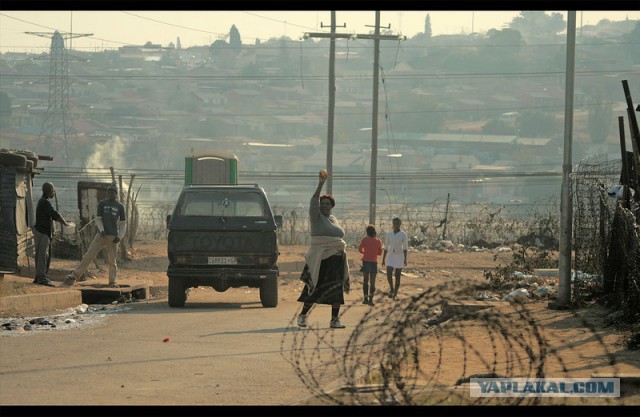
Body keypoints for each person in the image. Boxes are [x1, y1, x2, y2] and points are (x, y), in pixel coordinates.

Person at [297, 170, 350, 329]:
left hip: (336, 260)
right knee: (314, 289)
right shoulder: (316, 216)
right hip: (321, 260)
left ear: (332, 206)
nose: (325, 205)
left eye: (328, 203)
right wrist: (321, 184)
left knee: (336, 291)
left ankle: (334, 320)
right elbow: (313, 201)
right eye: (323, 203)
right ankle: (302, 316)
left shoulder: (333, 218)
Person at [63, 183, 126, 288]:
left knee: (112, 260)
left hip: (113, 236)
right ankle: (74, 276)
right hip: (101, 235)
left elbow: (123, 223)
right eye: (109, 192)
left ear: (116, 194)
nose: (111, 194)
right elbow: (98, 218)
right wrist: (101, 229)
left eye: (113, 192)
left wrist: (120, 236)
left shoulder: (120, 206)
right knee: (89, 255)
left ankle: (112, 281)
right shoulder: (102, 204)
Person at [32, 182, 69, 287]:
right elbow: (54, 214)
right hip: (43, 232)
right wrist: (65, 223)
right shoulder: (45, 202)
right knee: (43, 256)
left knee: (42, 256)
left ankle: (39, 276)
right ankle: (42, 278)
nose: (54, 192)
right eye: (53, 190)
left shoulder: (43, 201)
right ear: (49, 191)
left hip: (42, 232)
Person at [381, 217, 408, 300]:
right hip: (391, 255)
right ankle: (391, 289)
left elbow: (405, 248)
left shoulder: (403, 234)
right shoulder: (389, 234)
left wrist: (405, 259)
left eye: (398, 223)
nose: (396, 225)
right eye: (395, 223)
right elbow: (386, 247)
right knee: (389, 273)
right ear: (393, 224)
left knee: (397, 276)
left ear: (400, 224)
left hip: (400, 255)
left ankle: (395, 294)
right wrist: (383, 259)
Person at [358, 224, 383, 306]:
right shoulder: (378, 241)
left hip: (365, 261)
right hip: (374, 262)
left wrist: (365, 252)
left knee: (365, 280)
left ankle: (365, 298)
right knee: (373, 282)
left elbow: (359, 249)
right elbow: (379, 253)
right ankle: (371, 300)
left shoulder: (364, 239)